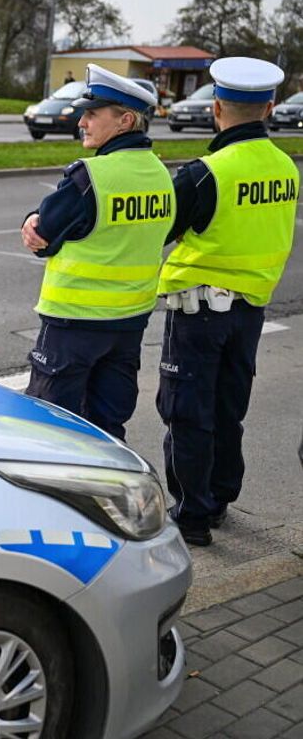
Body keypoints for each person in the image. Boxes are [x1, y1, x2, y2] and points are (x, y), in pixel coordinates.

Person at [158, 57, 298, 547]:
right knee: (227, 407)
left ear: (216, 108)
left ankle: (192, 516)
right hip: (250, 312)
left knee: (187, 412)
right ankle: (219, 496)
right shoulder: (286, 168)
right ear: (270, 108)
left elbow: (164, 229)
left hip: (198, 316)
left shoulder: (204, 174)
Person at [20, 63, 172, 440]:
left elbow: (45, 234)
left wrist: (33, 220)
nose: (82, 122)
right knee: (107, 431)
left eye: (91, 114)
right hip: (129, 324)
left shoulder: (88, 176)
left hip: (74, 325)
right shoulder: (162, 175)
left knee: (51, 431)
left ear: (123, 121)